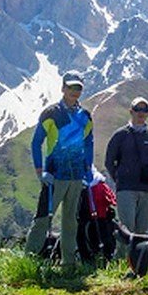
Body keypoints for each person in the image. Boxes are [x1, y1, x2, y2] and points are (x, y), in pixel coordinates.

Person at [25, 70, 94, 268]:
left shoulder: (85, 116)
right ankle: (28, 262)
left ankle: (68, 264)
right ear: (63, 88)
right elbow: (36, 142)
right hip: (54, 176)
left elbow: (89, 144)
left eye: (78, 88)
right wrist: (41, 172)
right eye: (71, 87)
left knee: (71, 222)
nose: (74, 91)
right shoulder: (51, 113)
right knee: (42, 219)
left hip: (76, 177)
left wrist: (87, 173)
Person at [104, 96, 148, 258]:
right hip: (126, 189)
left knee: (142, 229)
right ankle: (120, 261)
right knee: (127, 227)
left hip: (146, 189)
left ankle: (137, 262)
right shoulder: (120, 135)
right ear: (131, 111)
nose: (141, 113)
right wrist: (120, 179)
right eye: (138, 109)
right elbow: (109, 161)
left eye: (144, 110)